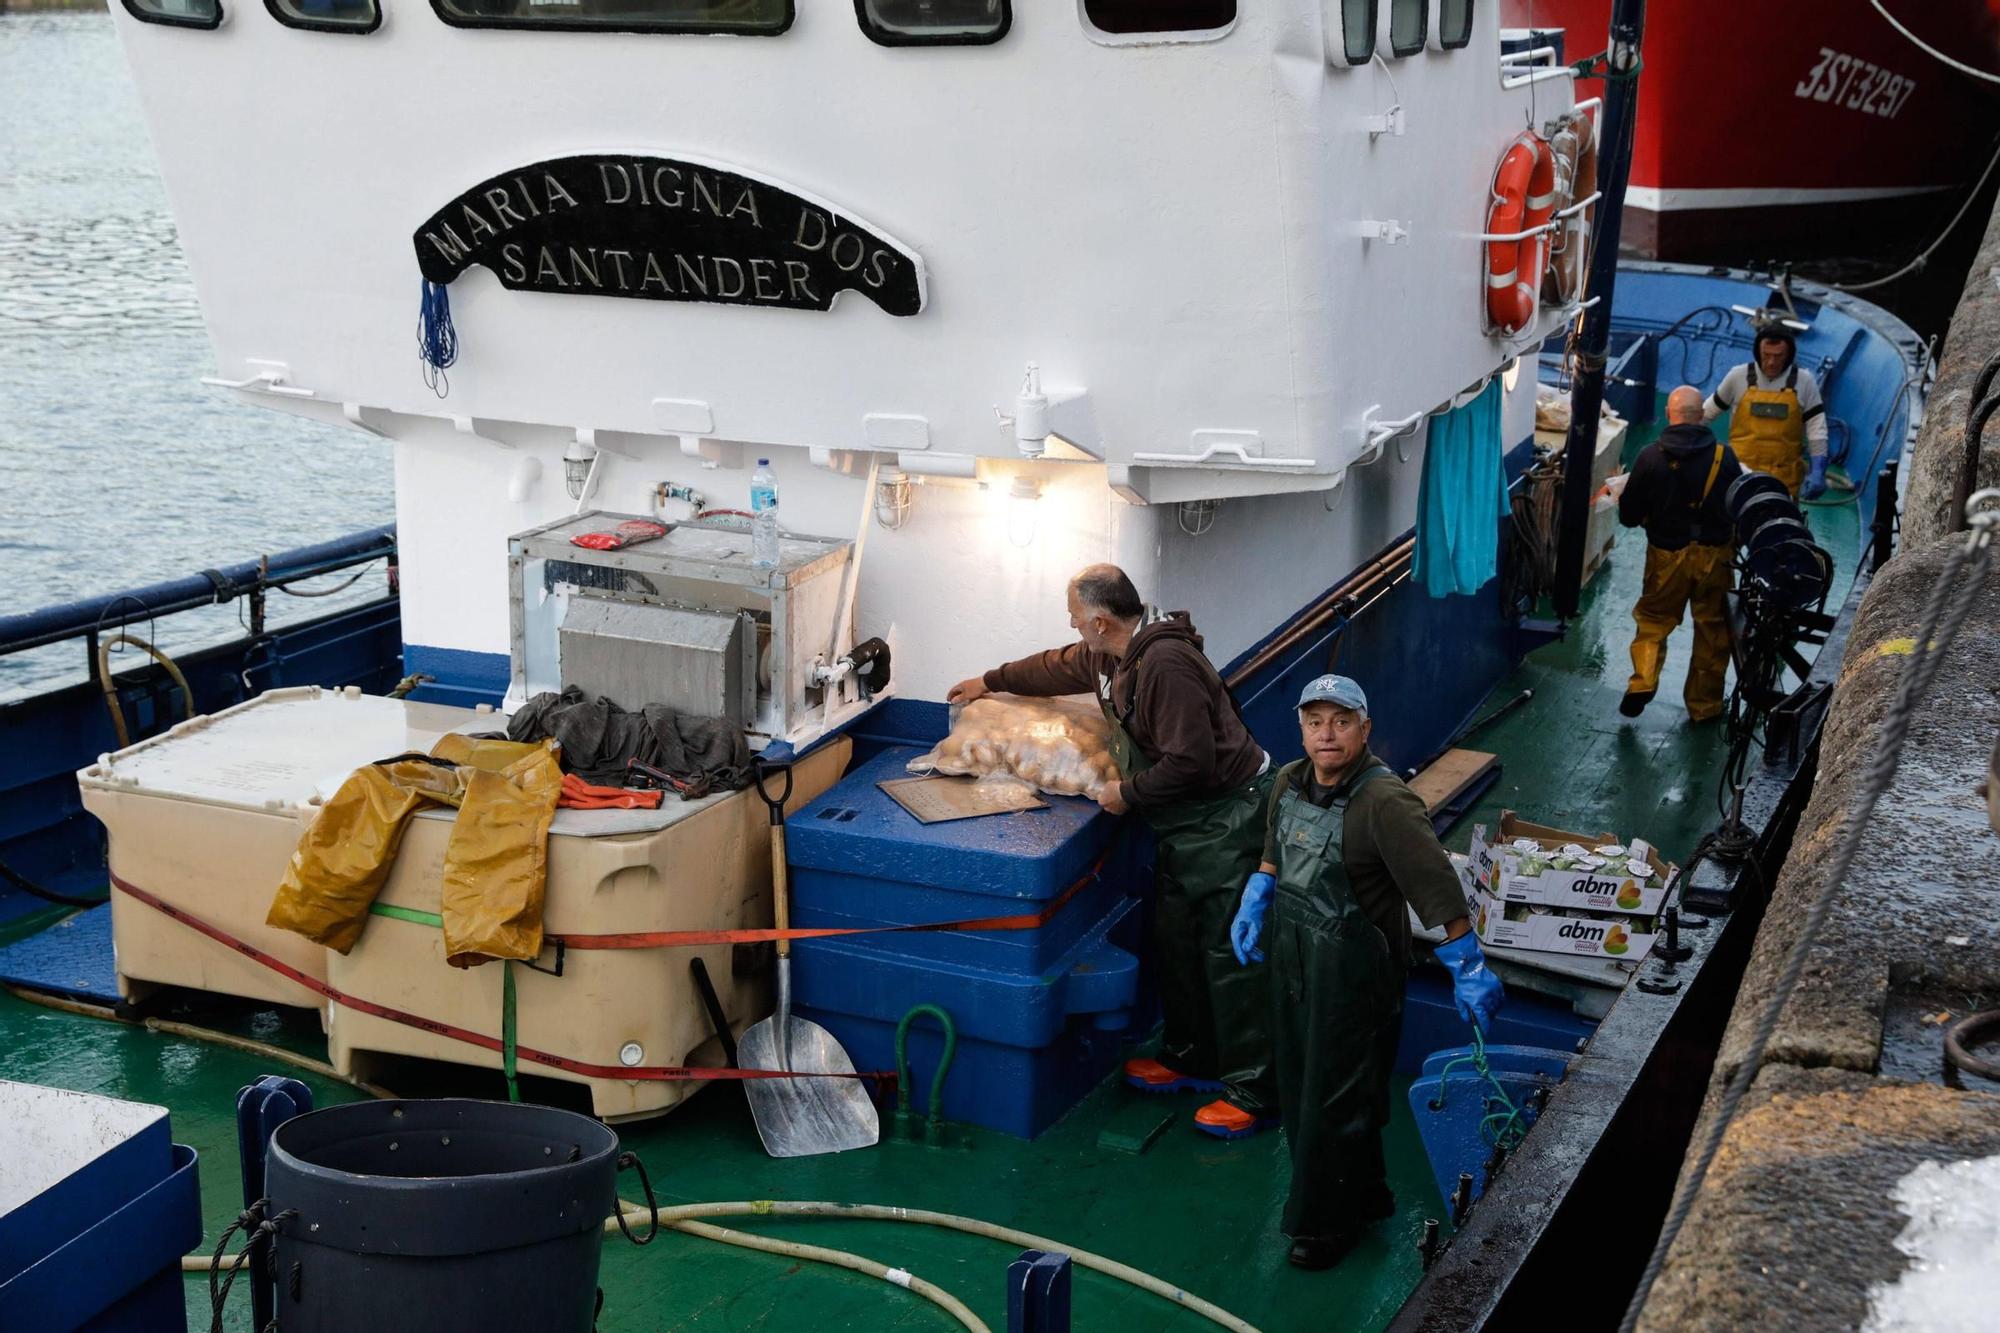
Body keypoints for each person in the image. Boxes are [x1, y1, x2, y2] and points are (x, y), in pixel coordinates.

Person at [948, 565, 1279, 1139]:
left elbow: (1192, 761)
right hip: (1182, 824)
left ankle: (1253, 1089)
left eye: (1077, 619)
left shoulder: (1167, 667)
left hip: (1228, 818)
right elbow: (1054, 665)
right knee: (1177, 941)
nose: (1073, 628)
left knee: (1228, 953)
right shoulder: (1110, 655)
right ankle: (1189, 1057)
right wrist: (988, 678)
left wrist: (1125, 793)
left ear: (1101, 621)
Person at [1228, 674, 1501, 1270]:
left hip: (1356, 976)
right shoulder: (1288, 781)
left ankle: (1325, 1227)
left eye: (1341, 722)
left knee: (1334, 1099)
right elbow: (1274, 849)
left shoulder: (1385, 802)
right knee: (1304, 1088)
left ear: (1365, 728)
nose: (1327, 735)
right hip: (1297, 963)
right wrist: (1259, 887)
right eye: (1315, 722)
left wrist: (1469, 966)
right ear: (1301, 727)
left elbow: (1436, 889)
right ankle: (1368, 1195)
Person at [1617, 384, 1745, 721]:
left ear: (1668, 417)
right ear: (1702, 416)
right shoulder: (1725, 456)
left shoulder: (1649, 456)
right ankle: (1704, 707)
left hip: (1666, 555)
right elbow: (1741, 507)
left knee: (1654, 621)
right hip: (1715, 556)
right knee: (1713, 631)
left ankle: (1643, 681)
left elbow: (1628, 516)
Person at [1704, 324, 1827, 500]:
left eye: (1779, 356)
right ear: (1757, 352)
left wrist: (1818, 470)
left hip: (1785, 480)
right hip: (1739, 476)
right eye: (1766, 355)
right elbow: (1707, 413)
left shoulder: (1805, 381)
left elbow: (1817, 430)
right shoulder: (1737, 376)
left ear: (1789, 355)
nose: (1771, 362)